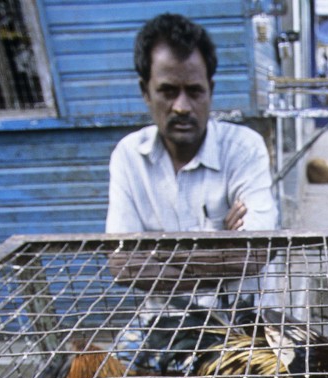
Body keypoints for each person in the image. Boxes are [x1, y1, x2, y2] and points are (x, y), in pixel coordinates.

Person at [106, 13, 277, 232]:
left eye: (194, 91)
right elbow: (122, 260)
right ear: (145, 92)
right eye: (168, 92)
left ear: (210, 91)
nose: (182, 107)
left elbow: (257, 251)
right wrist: (223, 247)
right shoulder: (129, 157)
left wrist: (155, 255)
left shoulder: (244, 149)